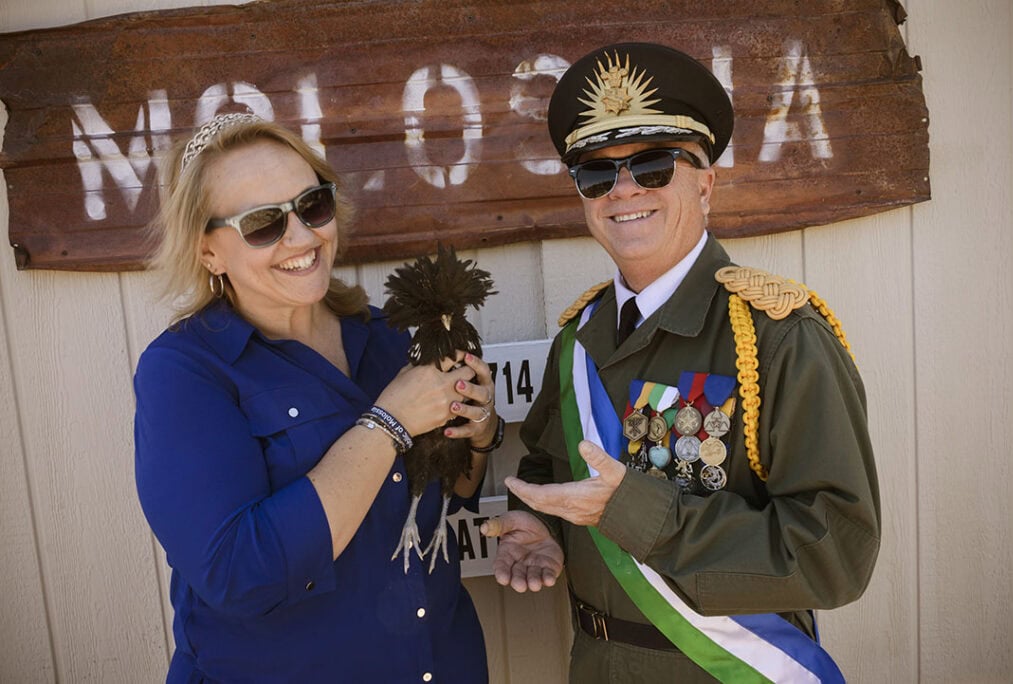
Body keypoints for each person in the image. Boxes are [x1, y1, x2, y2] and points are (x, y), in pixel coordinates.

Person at [481, 43, 880, 682]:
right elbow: (547, 464)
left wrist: (638, 513)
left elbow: (835, 554)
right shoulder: (578, 340)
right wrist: (540, 524)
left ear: (705, 183)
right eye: (597, 174)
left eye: (653, 166)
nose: (624, 190)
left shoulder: (778, 337)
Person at [134, 113, 498, 683]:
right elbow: (238, 574)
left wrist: (478, 432)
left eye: (312, 205)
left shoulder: (385, 336)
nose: (303, 237)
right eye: (262, 224)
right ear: (208, 252)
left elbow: (451, 491)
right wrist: (388, 423)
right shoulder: (185, 372)